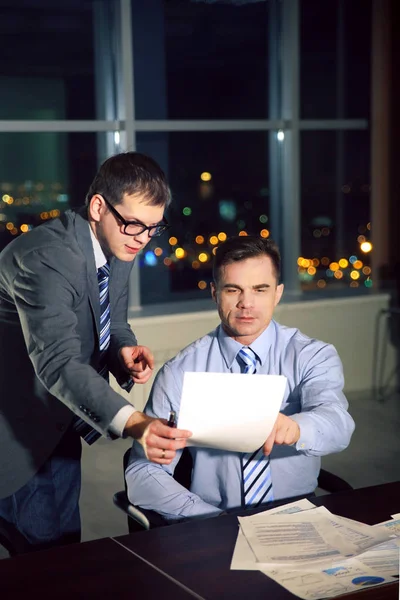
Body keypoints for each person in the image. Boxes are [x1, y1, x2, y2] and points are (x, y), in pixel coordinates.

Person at [0, 151, 190, 549]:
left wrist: (123, 348)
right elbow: (58, 363)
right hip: (14, 426)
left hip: (62, 413)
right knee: (46, 562)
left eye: (154, 228)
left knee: (65, 542)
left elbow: (111, 318)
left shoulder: (118, 239)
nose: (142, 238)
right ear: (98, 206)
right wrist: (137, 423)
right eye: (135, 224)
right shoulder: (45, 259)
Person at [126, 235, 355, 522]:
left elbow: (339, 425)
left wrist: (295, 427)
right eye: (233, 290)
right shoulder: (179, 372)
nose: (247, 303)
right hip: (213, 524)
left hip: (297, 520)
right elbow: (143, 471)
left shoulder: (312, 355)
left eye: (260, 289)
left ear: (278, 293)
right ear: (214, 293)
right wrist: (209, 517)